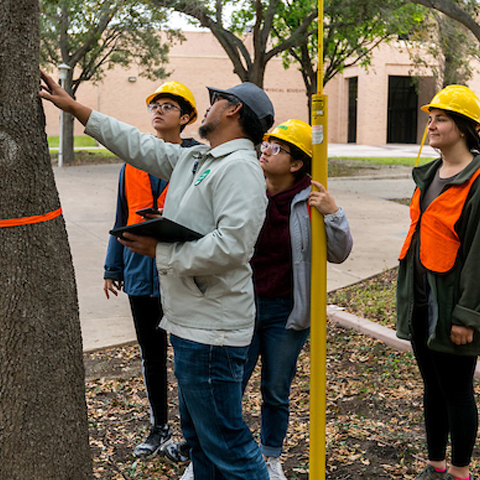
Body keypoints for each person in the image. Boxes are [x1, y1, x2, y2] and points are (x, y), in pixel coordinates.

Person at [40, 70, 274, 480]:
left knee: (227, 443)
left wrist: (161, 250)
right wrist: (76, 108)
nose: (208, 106)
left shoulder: (239, 168)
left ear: (233, 109)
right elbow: (138, 144)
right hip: (191, 325)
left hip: (212, 334)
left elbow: (233, 246)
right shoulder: (200, 158)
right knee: (200, 440)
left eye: (215, 99)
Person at [242, 119, 353, 479]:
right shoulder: (246, 187)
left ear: (296, 164)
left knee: (275, 388)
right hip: (240, 305)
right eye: (266, 143)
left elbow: (339, 253)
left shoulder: (311, 199)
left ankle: (270, 457)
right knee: (228, 385)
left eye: (276, 147)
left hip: (286, 312)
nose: (265, 150)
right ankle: (212, 453)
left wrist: (333, 213)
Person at [103, 81, 199, 458]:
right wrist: (113, 266)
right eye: (154, 105)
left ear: (186, 117)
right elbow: (121, 217)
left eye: (168, 106)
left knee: (187, 355)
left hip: (180, 272)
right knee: (151, 354)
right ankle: (159, 427)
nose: (158, 111)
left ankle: (190, 438)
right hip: (140, 273)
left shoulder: (196, 161)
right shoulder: (132, 161)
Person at [396, 85, 480, 480]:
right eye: (431, 117)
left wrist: (467, 315)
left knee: (457, 391)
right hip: (421, 301)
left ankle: (460, 473)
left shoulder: (478, 180)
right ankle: (436, 467)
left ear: (463, 128)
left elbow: (479, 256)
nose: (431, 124)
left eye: (441, 118)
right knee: (432, 385)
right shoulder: (428, 174)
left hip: (452, 307)